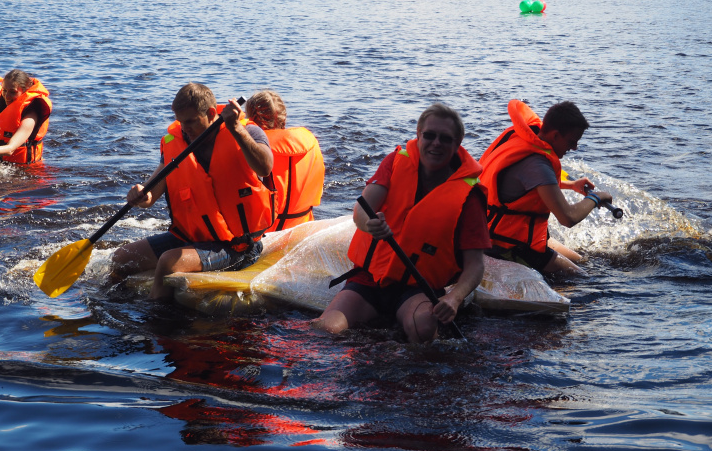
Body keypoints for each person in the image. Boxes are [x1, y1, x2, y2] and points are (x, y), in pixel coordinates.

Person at [312, 104, 491, 342]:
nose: (436, 143)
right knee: (325, 330)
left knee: (423, 329)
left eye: (445, 139)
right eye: (429, 135)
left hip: (418, 288)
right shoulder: (395, 162)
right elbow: (361, 211)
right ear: (418, 136)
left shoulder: (469, 195)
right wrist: (370, 225)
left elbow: (475, 264)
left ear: (457, 145)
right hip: (369, 280)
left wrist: (454, 298)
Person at [111, 82, 275, 300]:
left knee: (168, 262)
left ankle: (151, 323)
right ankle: (109, 305)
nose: (184, 128)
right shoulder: (177, 142)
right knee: (121, 258)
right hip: (191, 237)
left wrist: (235, 128)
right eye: (180, 122)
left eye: (190, 121)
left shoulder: (247, 131)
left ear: (209, 113)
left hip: (237, 246)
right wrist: (140, 195)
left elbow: (265, 167)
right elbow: (150, 196)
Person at [478, 99, 613, 275]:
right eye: (571, 142)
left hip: (499, 233)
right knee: (582, 277)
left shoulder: (522, 138)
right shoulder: (537, 163)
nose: (574, 148)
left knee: (582, 261)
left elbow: (528, 184)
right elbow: (568, 218)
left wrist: (571, 185)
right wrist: (597, 197)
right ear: (555, 135)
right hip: (506, 245)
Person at [245, 90, 325, 230]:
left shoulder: (252, 150)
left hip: (263, 232)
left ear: (251, 120)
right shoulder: (310, 141)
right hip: (302, 228)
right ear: (284, 118)